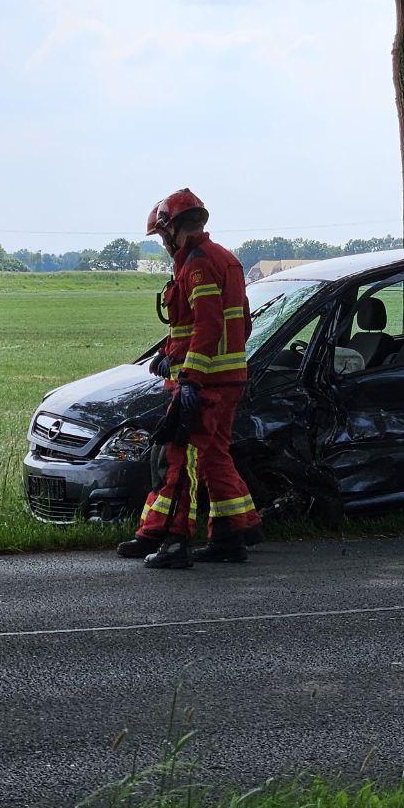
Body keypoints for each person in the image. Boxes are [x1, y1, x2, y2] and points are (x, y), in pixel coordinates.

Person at [117, 188, 263, 568]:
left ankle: (176, 543)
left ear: (171, 230)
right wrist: (167, 355)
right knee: (213, 457)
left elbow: (208, 323)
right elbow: (236, 324)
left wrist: (190, 378)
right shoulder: (225, 260)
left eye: (162, 236)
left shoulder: (196, 264)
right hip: (227, 378)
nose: (163, 243)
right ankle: (232, 537)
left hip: (205, 384)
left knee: (181, 459)